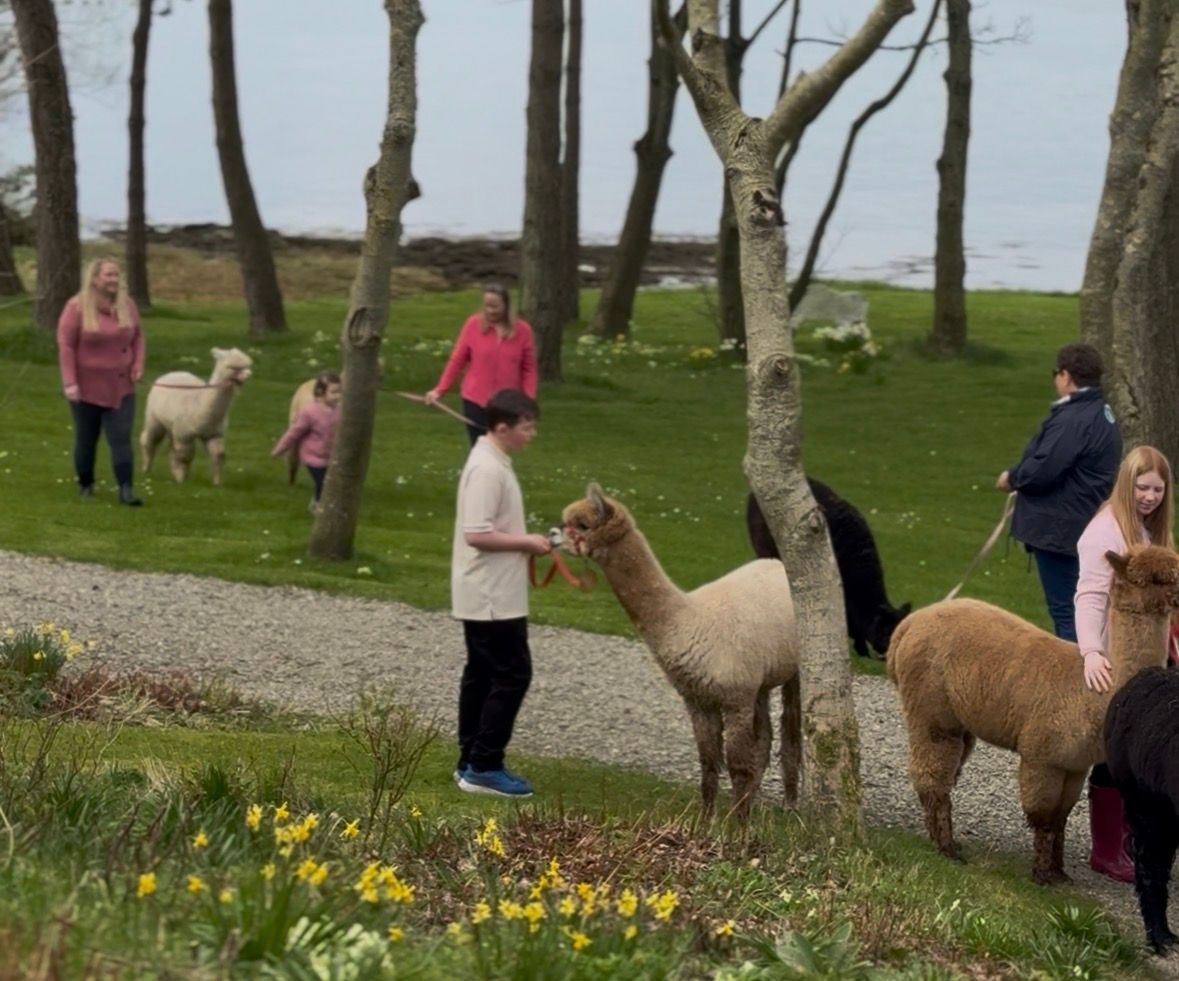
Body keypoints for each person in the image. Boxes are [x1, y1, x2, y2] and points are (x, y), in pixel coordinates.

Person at [1074, 445, 1174, 882]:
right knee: (1115, 749)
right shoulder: (1105, 533)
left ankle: (1137, 838)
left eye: (1157, 489)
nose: (1150, 497)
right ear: (1126, 484)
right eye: (1142, 487)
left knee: (1147, 746)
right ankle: (1107, 848)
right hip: (1120, 655)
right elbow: (1090, 595)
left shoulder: (1150, 531)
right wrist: (1091, 650)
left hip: (1151, 658)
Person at [450, 388, 551, 797]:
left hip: (490, 591)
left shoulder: (493, 460)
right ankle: (484, 764)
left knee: (482, 674)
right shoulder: (487, 469)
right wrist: (527, 542)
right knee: (511, 674)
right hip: (491, 595)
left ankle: (470, 759)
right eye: (527, 427)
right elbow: (476, 534)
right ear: (502, 427)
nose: (532, 434)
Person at [997, 343, 1121, 640]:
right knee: (1088, 608)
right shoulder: (1101, 413)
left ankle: (1078, 682)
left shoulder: (1073, 419)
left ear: (1066, 375)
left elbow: (1045, 469)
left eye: (1057, 373)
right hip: (1082, 521)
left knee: (1069, 611)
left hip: (1060, 529)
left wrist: (1013, 478)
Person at [57, 257, 145, 506]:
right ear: (95, 279)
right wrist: (69, 383)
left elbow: (138, 337)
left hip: (121, 386)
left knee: (121, 437)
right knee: (87, 438)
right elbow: (66, 346)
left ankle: (126, 490)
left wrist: (138, 364)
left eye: (116, 275)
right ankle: (86, 484)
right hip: (86, 388)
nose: (114, 280)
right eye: (109, 275)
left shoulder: (127, 305)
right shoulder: (76, 307)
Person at [424, 284, 538, 445]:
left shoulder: (523, 330)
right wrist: (440, 390)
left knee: (500, 447)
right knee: (479, 446)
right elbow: (457, 360)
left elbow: (529, 369)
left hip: (506, 404)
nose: (491, 311)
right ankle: (477, 470)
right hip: (475, 399)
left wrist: (528, 400)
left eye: (495, 306)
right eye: (487, 306)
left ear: (506, 306)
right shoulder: (473, 324)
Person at [271, 371, 342, 509]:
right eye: (333, 392)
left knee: (329, 484)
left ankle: (318, 503)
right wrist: (279, 449)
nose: (338, 396)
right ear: (321, 392)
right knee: (323, 483)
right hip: (313, 458)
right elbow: (294, 433)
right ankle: (317, 507)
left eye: (340, 392)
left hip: (329, 456)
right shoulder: (310, 413)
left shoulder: (340, 411)